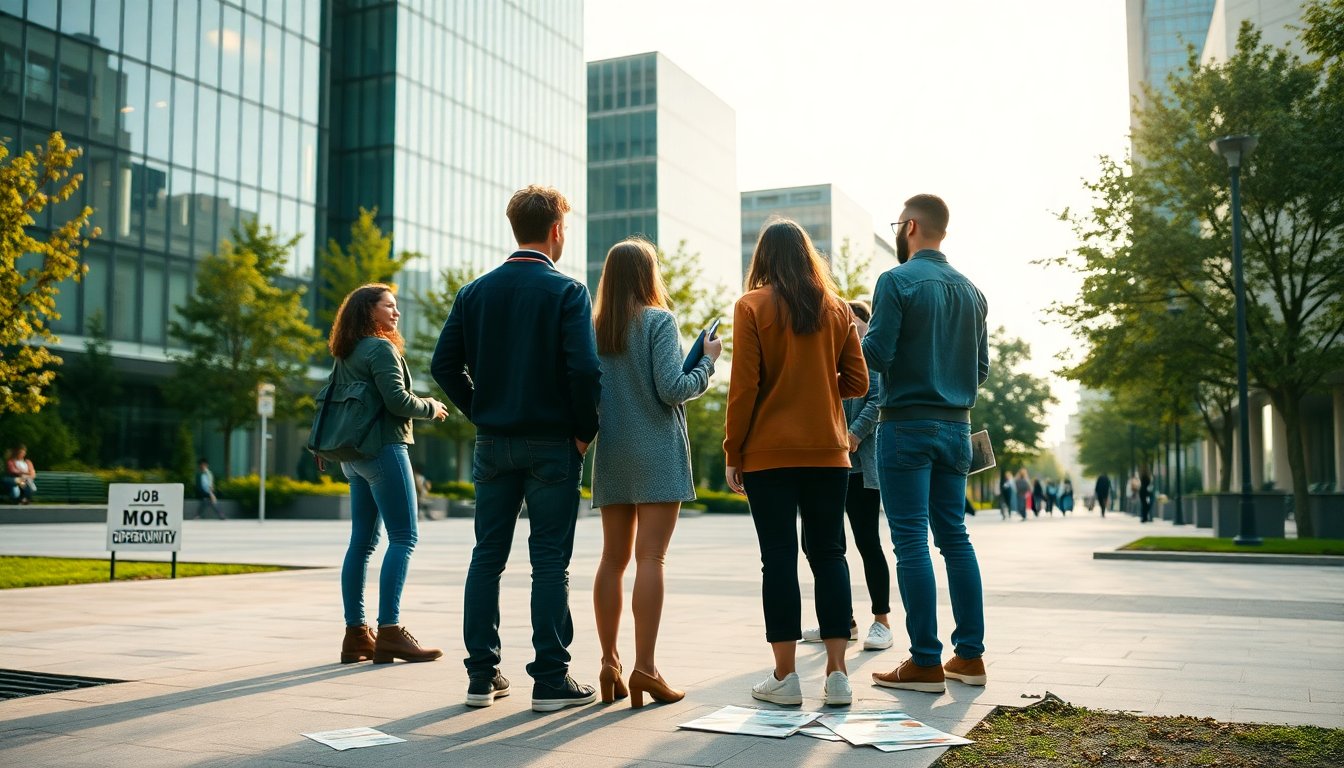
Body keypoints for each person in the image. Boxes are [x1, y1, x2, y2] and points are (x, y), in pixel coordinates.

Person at [431, 185, 602, 713]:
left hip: (493, 443)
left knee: (487, 556)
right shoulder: (568, 292)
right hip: (553, 443)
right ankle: (550, 679)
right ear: (556, 230)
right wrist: (584, 431)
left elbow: (443, 366)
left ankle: (481, 676)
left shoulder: (473, 293)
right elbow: (584, 370)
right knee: (549, 561)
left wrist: (481, 409)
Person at [724, 218, 868, 708]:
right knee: (830, 555)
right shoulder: (837, 308)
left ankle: (785, 677)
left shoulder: (751, 306)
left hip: (768, 455)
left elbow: (744, 386)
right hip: (829, 452)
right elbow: (859, 381)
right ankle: (838, 674)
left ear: (763, 257)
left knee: (779, 559)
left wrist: (733, 451)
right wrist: (818, 384)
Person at [862, 194, 989, 694]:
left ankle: (925, 662)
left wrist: (849, 338)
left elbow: (876, 354)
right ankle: (970, 658)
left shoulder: (895, 281)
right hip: (957, 427)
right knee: (955, 537)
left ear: (910, 226)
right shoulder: (974, 291)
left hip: (906, 426)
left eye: (898, 224)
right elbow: (980, 370)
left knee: (911, 539)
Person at [590, 237, 719, 708]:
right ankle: (646, 668)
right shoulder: (658, 320)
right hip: (657, 452)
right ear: (649, 275)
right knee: (651, 558)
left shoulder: (594, 328)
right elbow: (672, 388)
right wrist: (707, 362)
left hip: (612, 452)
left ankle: (610, 663)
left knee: (612, 560)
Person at [329, 283, 449, 667]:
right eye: (389, 306)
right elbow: (397, 401)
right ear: (369, 311)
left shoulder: (347, 352)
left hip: (352, 456)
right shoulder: (380, 349)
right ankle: (391, 632)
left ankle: (356, 635)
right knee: (404, 537)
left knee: (361, 543)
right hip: (383, 449)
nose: (396, 312)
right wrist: (431, 406)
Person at [800, 300, 893, 653]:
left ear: (865, 324)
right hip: (822, 465)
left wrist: (853, 434)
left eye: (853, 321)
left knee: (868, 542)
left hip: (859, 468)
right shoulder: (826, 352)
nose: (847, 326)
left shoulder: (871, 355)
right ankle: (842, 621)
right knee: (818, 545)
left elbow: (876, 400)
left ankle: (882, 621)